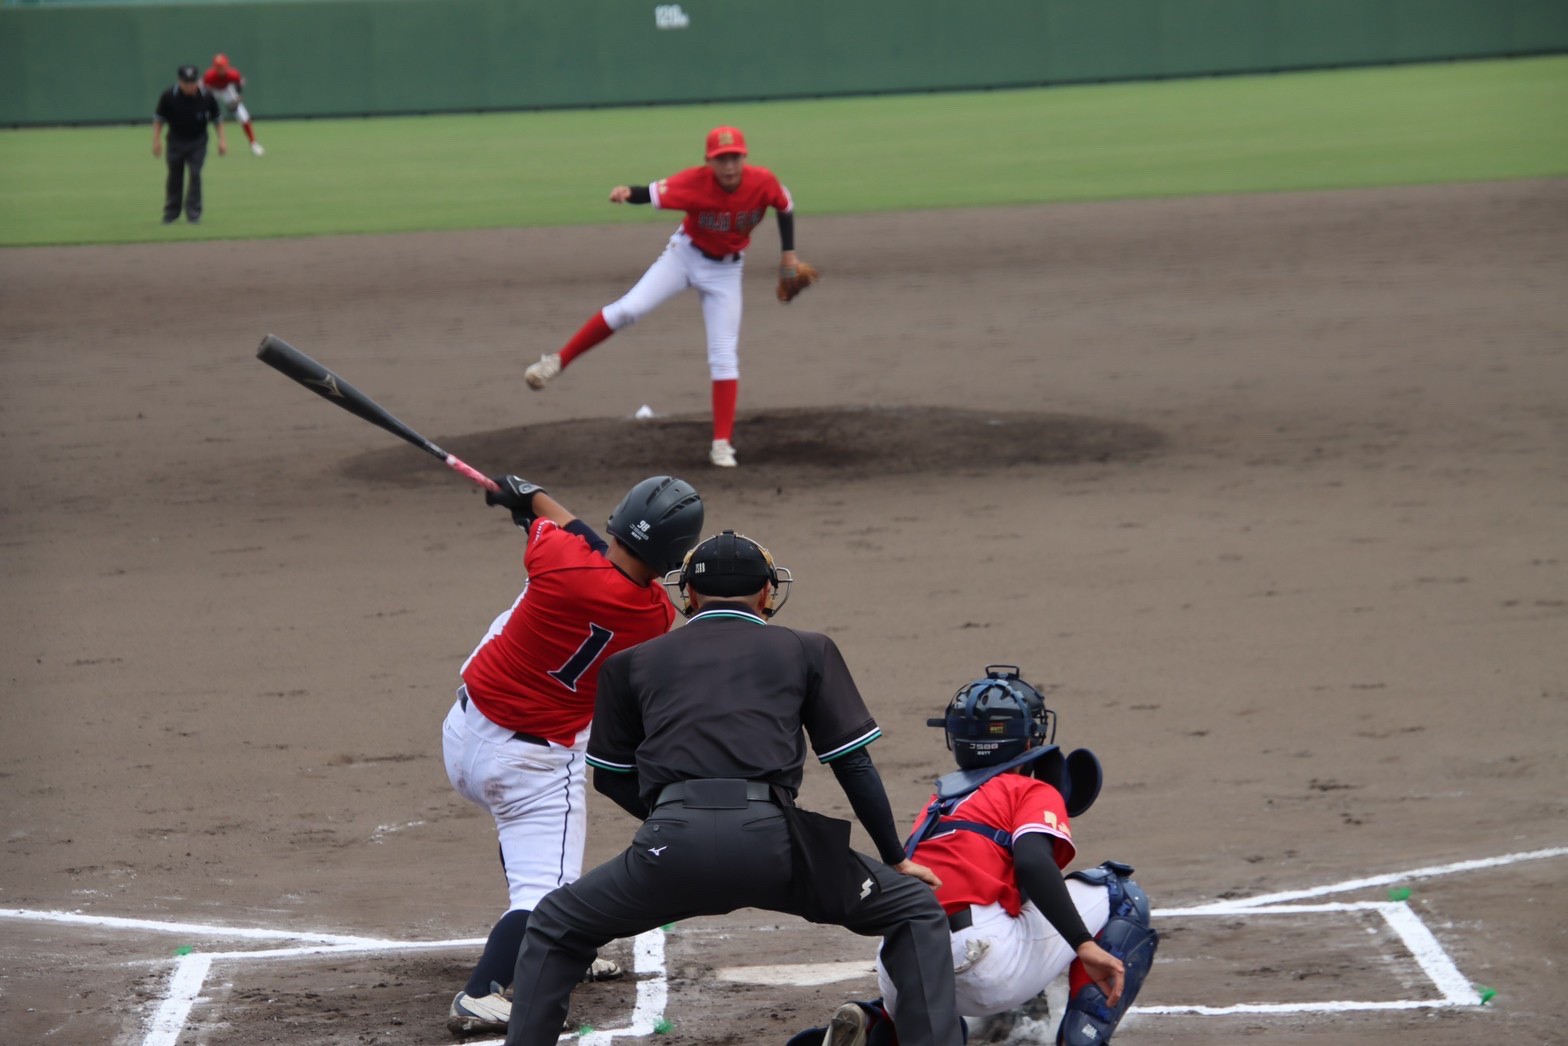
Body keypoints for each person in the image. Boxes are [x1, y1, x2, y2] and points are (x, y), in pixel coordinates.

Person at [501, 531, 966, 1046]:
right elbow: (852, 763)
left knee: (552, 924)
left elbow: (610, 774)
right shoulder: (806, 648)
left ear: (690, 596)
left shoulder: (630, 662)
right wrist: (894, 857)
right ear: (767, 593)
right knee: (914, 910)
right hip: (779, 848)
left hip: (669, 848)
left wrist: (676, 826)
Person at [441, 474, 705, 1036]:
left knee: (515, 616)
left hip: (463, 735)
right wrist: (530, 504)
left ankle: (566, 948)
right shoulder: (654, 615)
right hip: (529, 771)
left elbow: (563, 528)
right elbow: (586, 544)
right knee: (546, 894)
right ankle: (481, 994)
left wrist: (524, 493)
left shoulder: (557, 557)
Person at [792, 666, 1159, 1046]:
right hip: (982, 964)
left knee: (978, 947)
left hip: (899, 968)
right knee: (1119, 892)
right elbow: (1034, 865)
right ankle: (1081, 1040)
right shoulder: (1026, 790)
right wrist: (1083, 944)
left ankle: (878, 1025)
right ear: (1030, 739)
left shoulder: (940, 802)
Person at [521, 125, 805, 470]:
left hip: (726, 273)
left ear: (744, 158)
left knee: (724, 354)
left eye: (734, 158)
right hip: (684, 256)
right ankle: (557, 361)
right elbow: (652, 193)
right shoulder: (694, 182)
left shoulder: (762, 182)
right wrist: (628, 192)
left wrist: (788, 254)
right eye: (721, 159)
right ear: (708, 162)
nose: (728, 166)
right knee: (630, 308)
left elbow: (785, 205)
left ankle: (721, 445)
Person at [152, 65, 226, 225]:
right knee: (174, 176)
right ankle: (171, 213)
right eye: (186, 82)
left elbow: (217, 119)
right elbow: (159, 120)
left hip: (198, 141)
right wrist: (156, 141)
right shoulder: (169, 96)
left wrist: (222, 140)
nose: (190, 85)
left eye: (193, 82)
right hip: (175, 141)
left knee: (195, 173)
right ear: (180, 82)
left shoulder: (206, 96)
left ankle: (194, 214)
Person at [201, 53, 265, 156]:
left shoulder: (233, 74)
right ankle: (200, 145)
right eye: (218, 67)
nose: (220, 69)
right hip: (213, 91)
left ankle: (254, 144)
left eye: (222, 66)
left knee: (243, 116)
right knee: (203, 116)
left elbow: (239, 85)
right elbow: (202, 89)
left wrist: (238, 98)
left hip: (227, 90)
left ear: (227, 66)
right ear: (214, 67)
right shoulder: (209, 76)